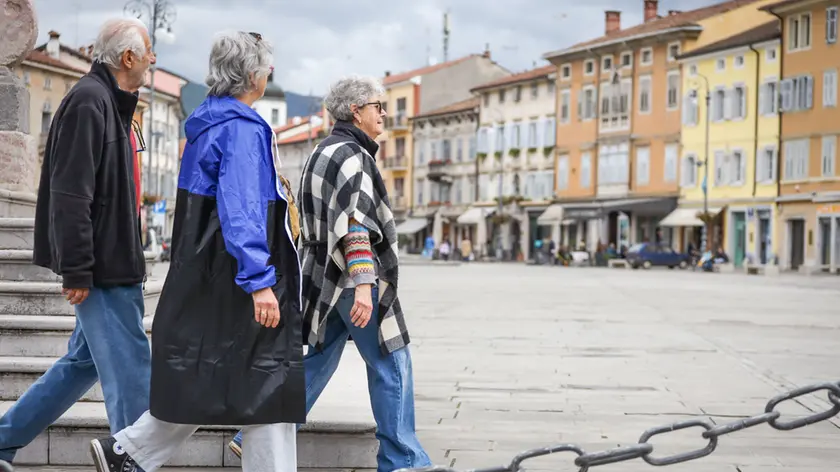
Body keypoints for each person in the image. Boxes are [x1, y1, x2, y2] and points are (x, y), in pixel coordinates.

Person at [88, 31, 304, 472]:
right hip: (240, 275)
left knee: (213, 376)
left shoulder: (206, 122)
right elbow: (243, 208)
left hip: (208, 270)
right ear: (251, 74)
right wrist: (261, 282)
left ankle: (126, 452)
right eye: (267, 65)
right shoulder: (243, 128)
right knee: (267, 377)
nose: (270, 73)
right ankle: (128, 451)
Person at [229, 75, 432, 472]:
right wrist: (363, 284)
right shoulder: (355, 156)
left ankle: (251, 433)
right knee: (393, 361)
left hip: (321, 276)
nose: (384, 114)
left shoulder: (321, 151)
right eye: (378, 106)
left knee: (319, 359)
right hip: (350, 275)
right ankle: (403, 459)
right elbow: (354, 224)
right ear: (356, 110)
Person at [0, 18, 155, 463]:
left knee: (78, 367)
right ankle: (132, 460)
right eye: (148, 53)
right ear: (128, 58)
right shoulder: (90, 102)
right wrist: (78, 269)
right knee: (130, 374)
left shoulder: (108, 102)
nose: (152, 61)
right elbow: (71, 194)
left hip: (109, 263)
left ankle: (4, 440)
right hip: (105, 270)